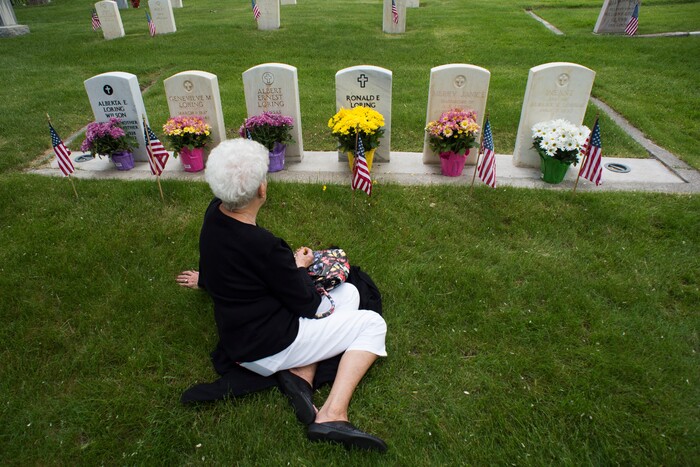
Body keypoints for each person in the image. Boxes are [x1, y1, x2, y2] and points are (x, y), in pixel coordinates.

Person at [176, 139, 388, 452]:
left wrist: (205, 280)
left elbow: (226, 264)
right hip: (267, 345)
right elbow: (310, 304)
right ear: (261, 190)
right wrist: (299, 267)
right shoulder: (264, 246)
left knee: (351, 292)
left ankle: (300, 375)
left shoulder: (214, 215)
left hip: (242, 335)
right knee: (371, 323)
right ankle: (331, 415)